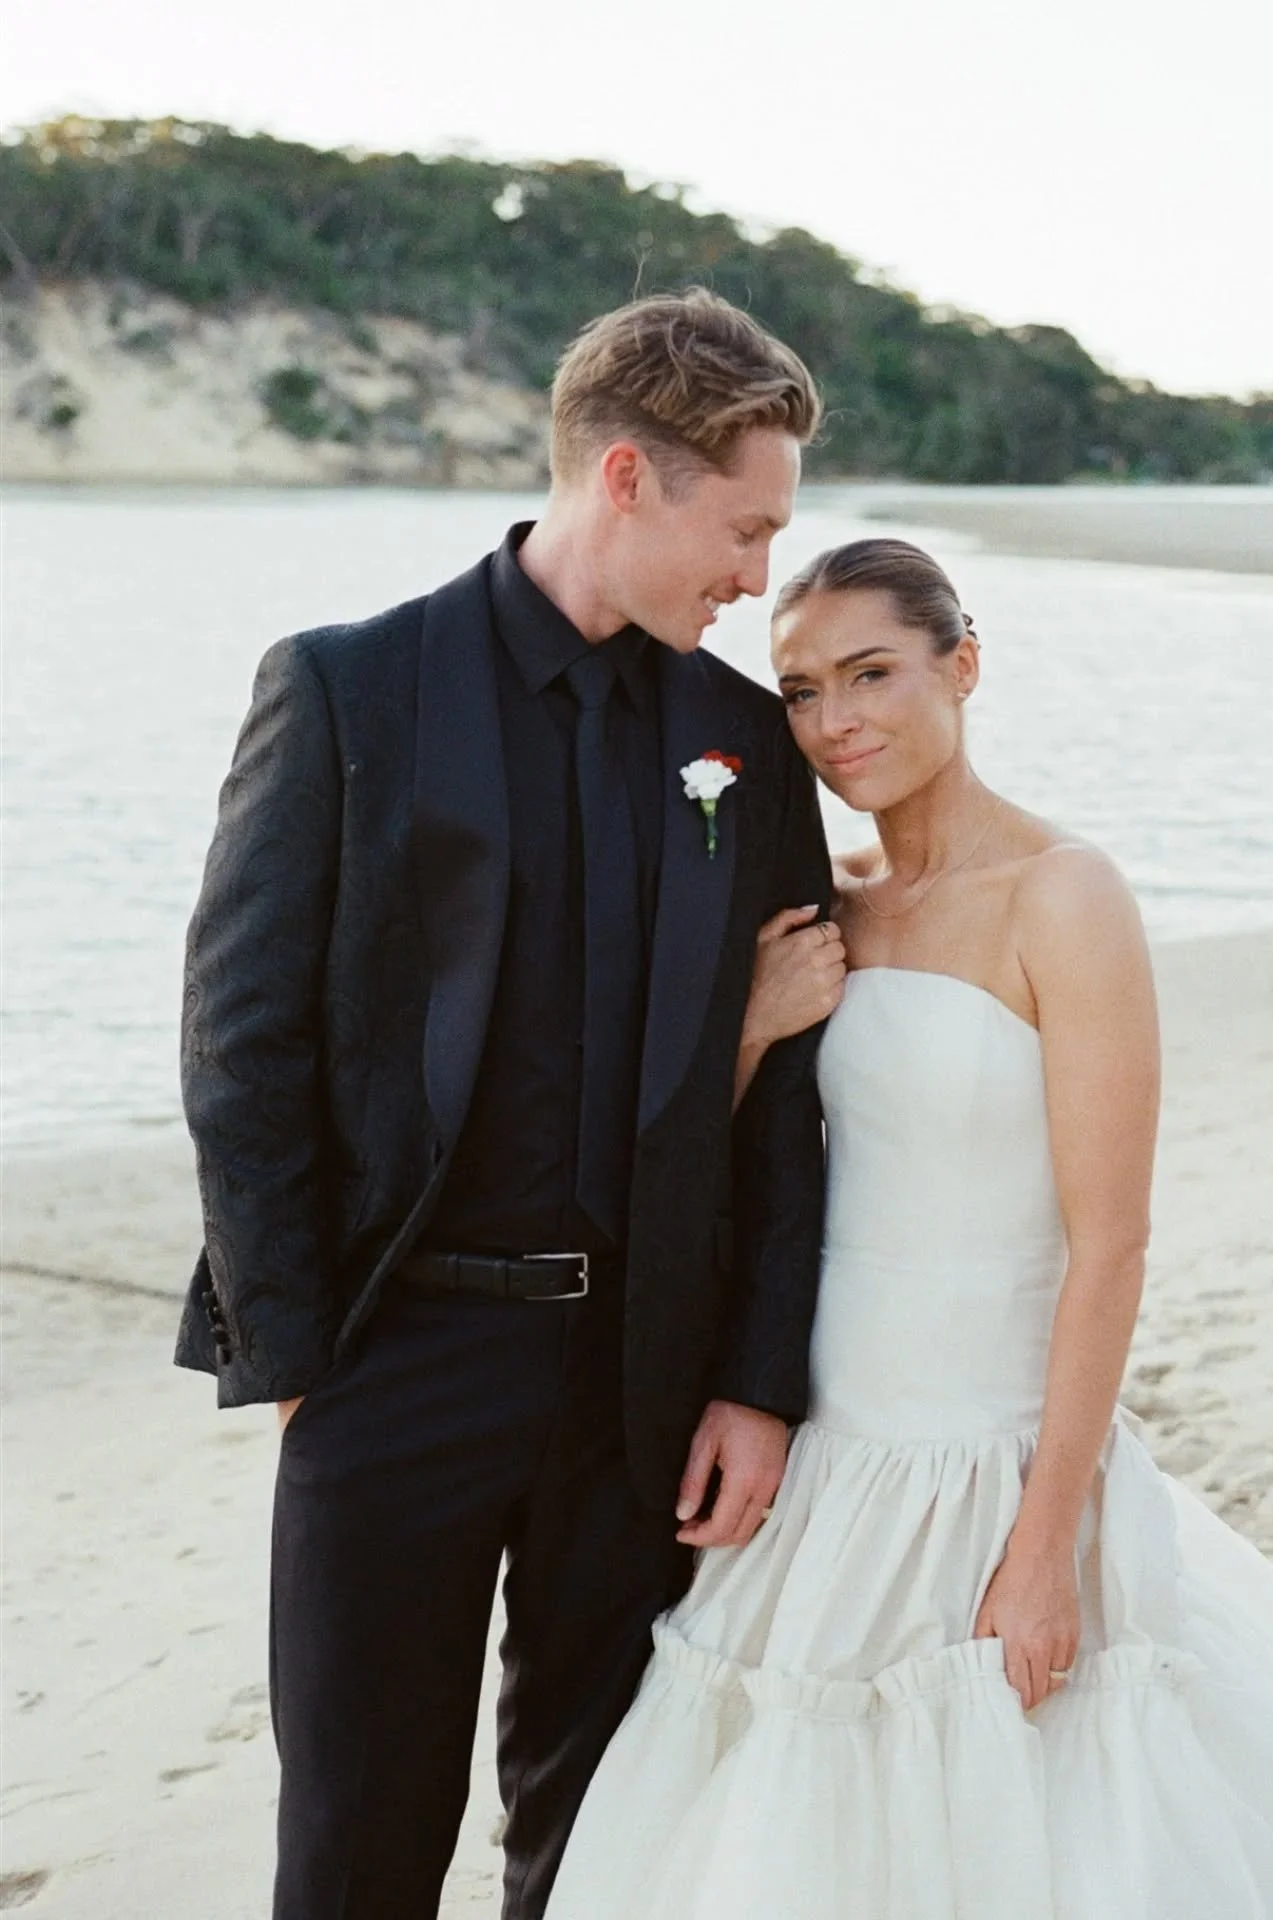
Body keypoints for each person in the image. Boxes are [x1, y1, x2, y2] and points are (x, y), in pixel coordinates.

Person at [547, 538, 1273, 1920]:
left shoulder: (1063, 896)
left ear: (963, 664)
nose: (837, 720)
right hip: (829, 1451)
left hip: (996, 1449)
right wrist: (747, 1033)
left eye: (871, 673)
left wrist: (1041, 1550)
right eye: (798, 690)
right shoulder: (818, 905)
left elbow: (1112, 1246)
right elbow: (739, 1177)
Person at [173, 289, 850, 1920]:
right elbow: (238, 1043)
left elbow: (788, 1102)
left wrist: (756, 1383)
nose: (757, 576)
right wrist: (299, 1360)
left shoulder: (742, 743)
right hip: (394, 1360)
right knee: (356, 1843)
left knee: (605, 1843)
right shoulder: (351, 689)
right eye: (745, 528)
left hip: (646, 1384)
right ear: (629, 476)